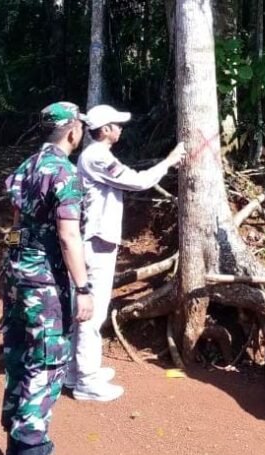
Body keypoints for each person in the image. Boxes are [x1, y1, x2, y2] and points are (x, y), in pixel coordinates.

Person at [0, 101, 94, 455]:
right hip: (44, 281)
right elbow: (69, 236)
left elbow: (16, 224)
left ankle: (16, 452)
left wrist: (17, 264)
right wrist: (83, 288)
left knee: (20, 357)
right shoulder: (64, 173)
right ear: (73, 131)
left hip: (17, 274)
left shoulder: (27, 166)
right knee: (45, 362)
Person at [66, 104, 186, 402]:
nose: (121, 129)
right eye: (117, 125)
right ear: (105, 129)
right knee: (92, 312)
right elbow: (138, 181)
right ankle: (86, 381)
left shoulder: (96, 155)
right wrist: (169, 161)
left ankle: (75, 371)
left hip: (96, 241)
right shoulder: (97, 156)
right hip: (95, 243)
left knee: (87, 310)